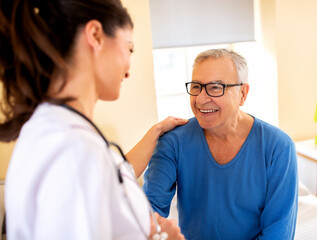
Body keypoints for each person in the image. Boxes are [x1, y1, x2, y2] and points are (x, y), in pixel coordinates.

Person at [0, 0, 187, 239]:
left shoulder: (54, 132)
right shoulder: (75, 150)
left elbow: (111, 178)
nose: (129, 69)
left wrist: (156, 131)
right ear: (96, 35)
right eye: (129, 48)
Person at [143, 49, 298, 239]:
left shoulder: (279, 147)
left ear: (243, 93)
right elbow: (149, 212)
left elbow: (278, 232)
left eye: (215, 87)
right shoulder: (172, 142)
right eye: (196, 87)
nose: (200, 99)